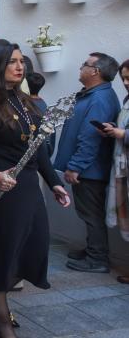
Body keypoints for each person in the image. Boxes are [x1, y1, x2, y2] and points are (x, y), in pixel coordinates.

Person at [0, 43, 70, 338]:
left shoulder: (24, 100)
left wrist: (54, 181)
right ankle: (2, 320)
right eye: (13, 62)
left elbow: (37, 148)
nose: (21, 67)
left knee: (33, 247)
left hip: (27, 187)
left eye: (22, 62)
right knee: (1, 253)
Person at [55, 52, 121, 273]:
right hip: (88, 169)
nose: (81, 67)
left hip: (90, 170)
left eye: (85, 64)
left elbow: (89, 137)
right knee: (88, 213)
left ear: (95, 72)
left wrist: (76, 166)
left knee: (91, 214)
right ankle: (93, 249)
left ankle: (98, 259)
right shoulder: (93, 94)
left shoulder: (99, 98)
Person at [102, 59, 129, 284]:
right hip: (123, 168)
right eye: (124, 78)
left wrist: (123, 135)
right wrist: (113, 132)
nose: (126, 83)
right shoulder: (127, 100)